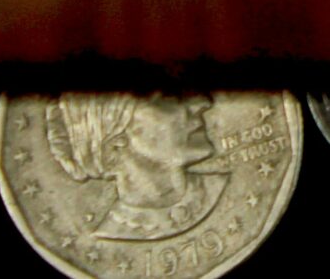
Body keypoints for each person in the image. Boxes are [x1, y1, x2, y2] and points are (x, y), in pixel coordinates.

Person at [44, 92, 227, 241]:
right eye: (166, 98)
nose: (203, 103)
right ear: (116, 143)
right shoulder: (110, 237)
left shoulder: (224, 188)